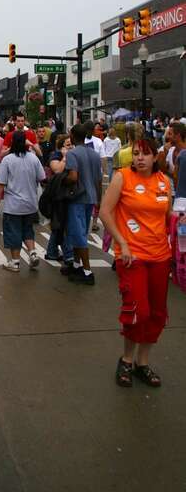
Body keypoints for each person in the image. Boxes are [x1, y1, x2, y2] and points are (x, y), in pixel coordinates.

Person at [100, 138, 172, 388]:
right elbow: (105, 212)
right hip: (132, 256)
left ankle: (143, 362)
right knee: (137, 310)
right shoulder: (122, 177)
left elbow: (166, 218)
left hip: (160, 256)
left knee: (157, 313)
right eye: (137, 153)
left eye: (146, 154)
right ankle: (126, 359)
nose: (140, 158)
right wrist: (123, 242)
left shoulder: (164, 182)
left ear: (155, 157)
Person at [0, 130, 45, 272]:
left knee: (13, 232)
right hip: (31, 204)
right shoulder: (34, 159)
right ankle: (32, 252)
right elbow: (42, 177)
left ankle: (15, 262)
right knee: (28, 230)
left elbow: (0, 184)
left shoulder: (8, 160)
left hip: (13, 205)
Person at [63, 124, 102, 285]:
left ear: (72, 136)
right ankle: (77, 265)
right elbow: (99, 179)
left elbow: (72, 176)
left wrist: (60, 181)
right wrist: (99, 199)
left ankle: (87, 271)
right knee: (81, 232)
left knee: (78, 234)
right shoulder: (93, 154)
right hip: (91, 197)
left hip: (77, 198)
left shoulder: (72, 153)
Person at [45, 133, 74, 263]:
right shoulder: (55, 156)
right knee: (61, 225)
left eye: (72, 144)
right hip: (57, 195)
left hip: (66, 194)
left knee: (59, 224)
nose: (71, 147)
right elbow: (57, 170)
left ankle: (52, 251)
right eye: (68, 145)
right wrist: (64, 156)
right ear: (61, 146)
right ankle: (68, 255)